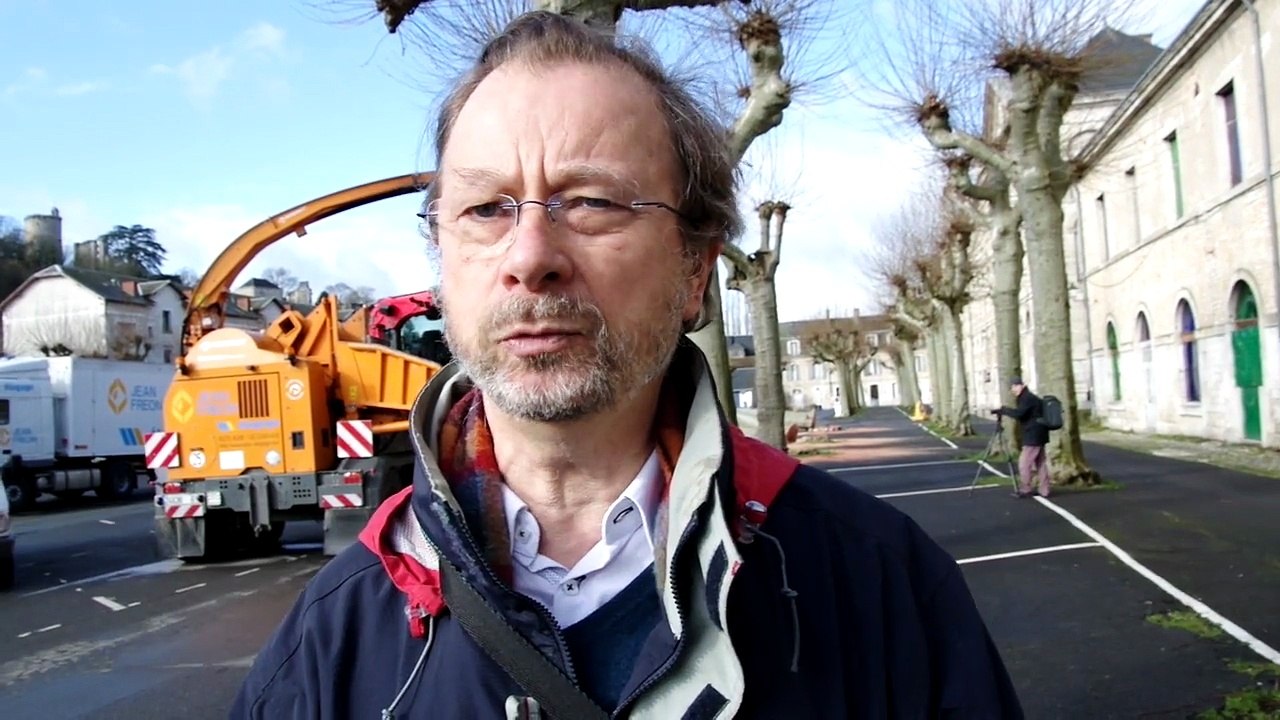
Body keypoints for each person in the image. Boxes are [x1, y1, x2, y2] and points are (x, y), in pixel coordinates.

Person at [232, 11, 1023, 719]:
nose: (529, 257)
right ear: (441, 258)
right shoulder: (331, 641)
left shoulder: (879, 584)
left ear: (695, 271)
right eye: (485, 209)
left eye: (592, 202)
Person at [994, 376, 1052, 498]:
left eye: (1015, 386)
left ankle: (1026, 488)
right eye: (1012, 387)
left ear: (1021, 385)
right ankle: (1044, 490)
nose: (1013, 390)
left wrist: (1004, 410)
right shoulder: (1029, 397)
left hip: (1033, 435)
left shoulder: (1027, 398)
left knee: (1024, 463)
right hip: (1040, 434)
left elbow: (1019, 414)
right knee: (1040, 463)